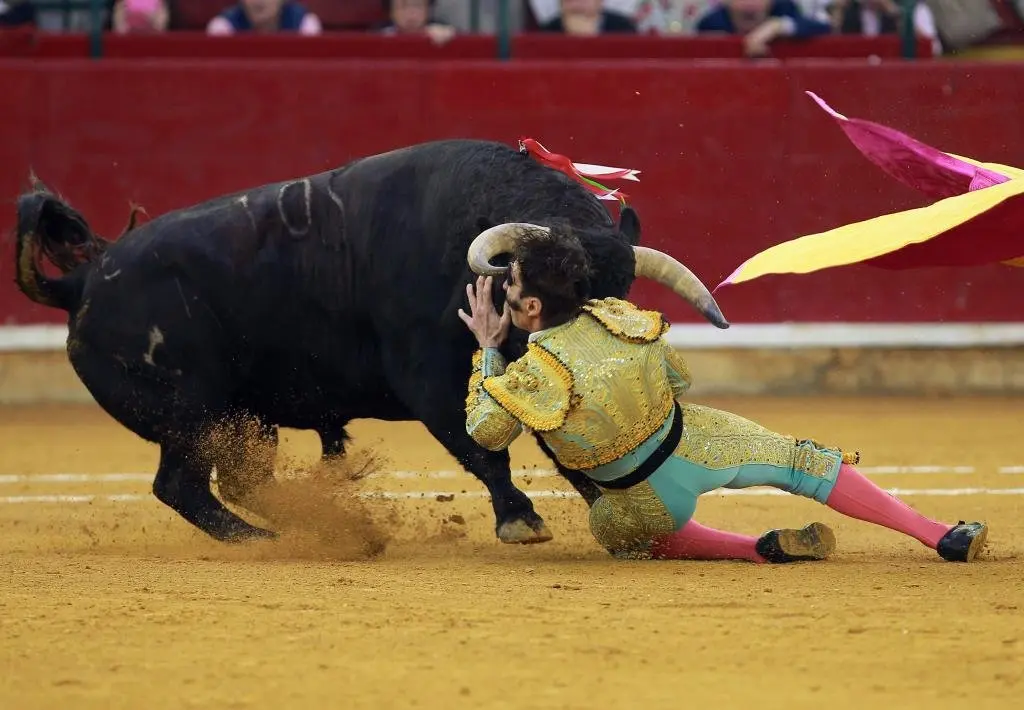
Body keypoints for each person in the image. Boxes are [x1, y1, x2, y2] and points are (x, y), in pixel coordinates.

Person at [457, 224, 988, 563]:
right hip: (699, 443)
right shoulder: (619, 317)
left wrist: (488, 349)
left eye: (511, 285)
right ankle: (941, 534)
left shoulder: (531, 375)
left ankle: (755, 549)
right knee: (805, 462)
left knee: (615, 530)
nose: (504, 291)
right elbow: (679, 380)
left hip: (639, 499)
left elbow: (487, 432)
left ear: (531, 308)